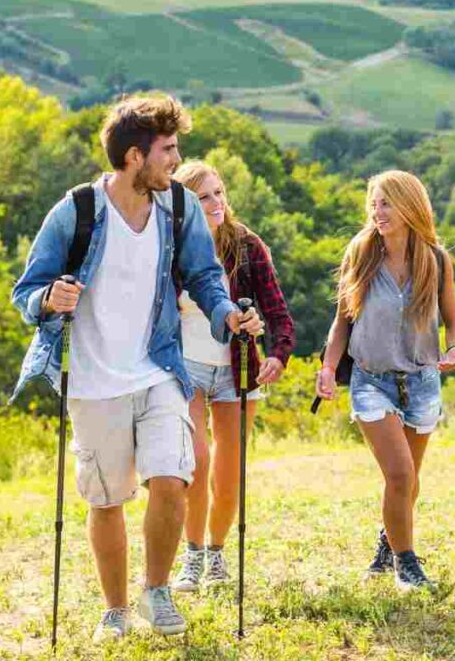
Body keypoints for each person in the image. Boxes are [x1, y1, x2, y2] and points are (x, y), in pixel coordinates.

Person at [10, 96, 263, 641]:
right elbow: (26, 291)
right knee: (106, 500)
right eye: (167, 150)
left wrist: (228, 315)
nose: (176, 160)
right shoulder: (76, 211)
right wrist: (49, 298)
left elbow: (204, 276)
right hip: (95, 380)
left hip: (158, 368)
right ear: (133, 157)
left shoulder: (177, 207)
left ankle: (157, 590)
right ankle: (116, 609)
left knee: (173, 478)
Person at [315, 170, 455, 591]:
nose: (378, 212)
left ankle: (388, 541)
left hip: (421, 381)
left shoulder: (435, 260)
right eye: (374, 203)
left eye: (386, 203)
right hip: (371, 381)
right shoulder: (361, 254)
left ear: (409, 206)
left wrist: (454, 349)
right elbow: (341, 324)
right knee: (400, 475)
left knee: (408, 482)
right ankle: (407, 563)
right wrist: (328, 368)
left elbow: (454, 322)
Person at [171, 161, 295, 592]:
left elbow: (278, 312)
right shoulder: (170, 247)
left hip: (238, 368)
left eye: (219, 192)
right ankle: (191, 557)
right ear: (186, 203)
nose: (217, 202)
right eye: (205, 196)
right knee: (197, 460)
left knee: (228, 471)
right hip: (186, 366)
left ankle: (217, 553)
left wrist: (277, 355)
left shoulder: (246, 245)